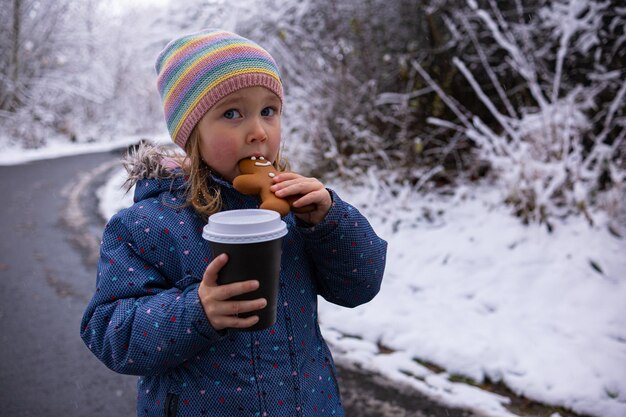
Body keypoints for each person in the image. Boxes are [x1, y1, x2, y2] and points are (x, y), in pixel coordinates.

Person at [81, 28, 387, 417]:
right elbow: (110, 333)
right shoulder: (148, 225)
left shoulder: (298, 211)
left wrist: (330, 221)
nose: (258, 131)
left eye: (269, 111)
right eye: (232, 113)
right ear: (192, 133)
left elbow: (360, 285)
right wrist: (197, 311)